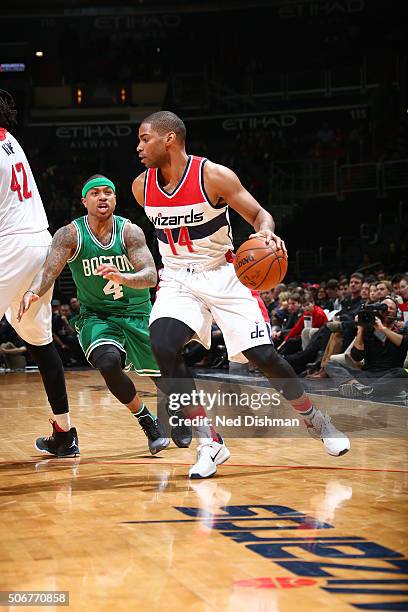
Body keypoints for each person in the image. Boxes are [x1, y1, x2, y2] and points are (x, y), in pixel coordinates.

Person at [132, 110, 350, 479]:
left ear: (169, 139)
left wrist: (265, 233)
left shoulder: (212, 176)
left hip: (224, 275)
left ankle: (315, 418)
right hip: (178, 280)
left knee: (264, 357)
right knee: (163, 346)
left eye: (144, 138)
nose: (139, 147)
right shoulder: (141, 186)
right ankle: (209, 441)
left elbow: (259, 214)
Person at [18, 174, 184, 455]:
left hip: (136, 313)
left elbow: (150, 275)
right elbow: (49, 271)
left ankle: (179, 412)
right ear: (84, 201)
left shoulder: (129, 231)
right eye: (95, 193)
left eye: (108, 192)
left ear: (116, 199)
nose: (103, 197)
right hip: (98, 315)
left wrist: (124, 277)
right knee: (107, 363)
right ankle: (147, 420)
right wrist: (33, 291)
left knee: (165, 378)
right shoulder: (69, 234)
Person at [0, 89, 78, 457]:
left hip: (12, 246)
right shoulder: (10, 139)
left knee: (41, 342)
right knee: (40, 342)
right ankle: (64, 433)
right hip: (38, 241)